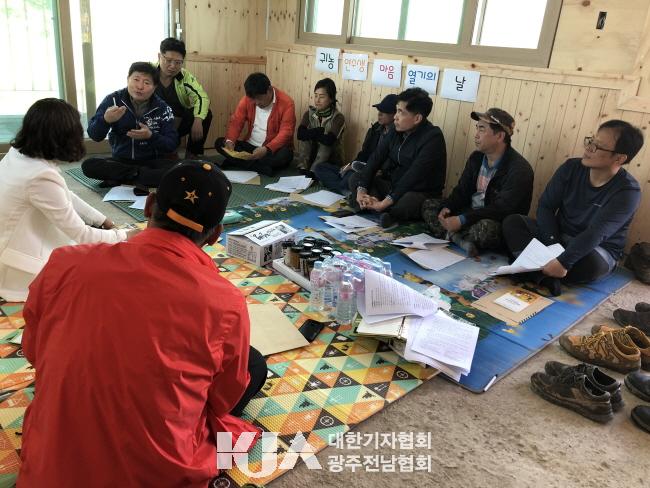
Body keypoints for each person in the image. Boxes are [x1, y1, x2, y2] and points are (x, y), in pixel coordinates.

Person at [18, 160, 268, 486]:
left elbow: (34, 350)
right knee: (254, 365)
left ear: (149, 206)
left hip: (52, 458)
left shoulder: (66, 261)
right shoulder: (226, 301)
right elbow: (223, 398)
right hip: (156, 471)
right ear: (215, 235)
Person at [0, 98, 129, 302]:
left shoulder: (19, 154)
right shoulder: (40, 175)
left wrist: (101, 219)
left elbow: (63, 193)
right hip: (21, 266)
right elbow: (81, 234)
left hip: (12, 244)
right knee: (105, 275)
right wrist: (123, 235)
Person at [502, 119, 643, 296]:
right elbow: (546, 206)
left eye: (598, 146)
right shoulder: (571, 167)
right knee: (513, 222)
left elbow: (596, 233)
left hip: (595, 248)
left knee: (593, 266)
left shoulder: (628, 191)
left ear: (619, 158)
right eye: (591, 141)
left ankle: (530, 270)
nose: (588, 148)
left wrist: (564, 262)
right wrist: (552, 244)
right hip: (559, 236)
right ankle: (544, 277)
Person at [421, 108, 533, 256]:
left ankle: (450, 234)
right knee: (429, 205)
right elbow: (462, 190)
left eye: (482, 129)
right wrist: (448, 207)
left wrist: (462, 220)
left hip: (492, 220)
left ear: (499, 136)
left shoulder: (519, 169)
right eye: (477, 128)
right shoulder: (476, 157)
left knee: (486, 230)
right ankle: (457, 238)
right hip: (469, 212)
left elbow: (501, 209)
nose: (476, 135)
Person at [348, 87, 446, 228]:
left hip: (419, 191)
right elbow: (375, 159)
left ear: (417, 118)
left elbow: (413, 176)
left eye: (401, 112)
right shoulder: (396, 130)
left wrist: (386, 201)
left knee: (407, 202)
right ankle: (375, 206)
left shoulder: (433, 137)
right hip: (393, 186)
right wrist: (361, 190)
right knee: (356, 179)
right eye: (396, 110)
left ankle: (382, 210)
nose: (395, 117)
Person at [81, 62, 179, 189]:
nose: (140, 86)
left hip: (151, 162)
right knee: (88, 165)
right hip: (121, 161)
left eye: (146, 83)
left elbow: (171, 144)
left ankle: (126, 177)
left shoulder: (163, 108)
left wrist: (150, 136)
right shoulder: (113, 100)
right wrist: (105, 120)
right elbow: (94, 135)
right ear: (128, 79)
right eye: (136, 79)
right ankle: (140, 177)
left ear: (155, 87)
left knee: (178, 170)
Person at [313, 93, 397, 196]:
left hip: (374, 173)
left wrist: (366, 170)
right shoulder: (375, 129)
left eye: (384, 112)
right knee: (319, 168)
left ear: (395, 115)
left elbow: (389, 165)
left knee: (350, 178)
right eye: (379, 110)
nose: (379, 114)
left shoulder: (397, 136)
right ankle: (346, 190)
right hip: (360, 167)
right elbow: (364, 153)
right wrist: (350, 165)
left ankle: (344, 188)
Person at [215, 72, 295, 175]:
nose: (256, 103)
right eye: (253, 99)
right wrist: (230, 140)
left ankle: (237, 162)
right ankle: (260, 167)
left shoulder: (287, 103)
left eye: (259, 98)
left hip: (270, 149)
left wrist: (267, 149)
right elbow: (236, 121)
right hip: (250, 146)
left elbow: (286, 132)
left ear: (269, 90)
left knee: (285, 155)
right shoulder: (247, 99)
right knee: (220, 143)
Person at [155, 37, 212, 159]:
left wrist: (198, 120)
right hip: (153, 124)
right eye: (168, 60)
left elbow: (202, 97)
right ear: (159, 56)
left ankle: (193, 155)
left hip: (176, 125)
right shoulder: (148, 72)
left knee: (205, 114)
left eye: (178, 62)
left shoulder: (184, 76)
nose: (172, 66)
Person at [295, 77, 346, 178]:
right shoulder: (309, 113)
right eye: (315, 96)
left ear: (331, 99)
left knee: (324, 142)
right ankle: (303, 168)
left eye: (322, 97)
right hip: (312, 155)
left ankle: (314, 171)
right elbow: (300, 134)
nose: (317, 100)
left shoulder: (338, 117)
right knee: (306, 137)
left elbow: (329, 140)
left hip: (331, 159)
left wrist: (313, 133)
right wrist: (317, 132)